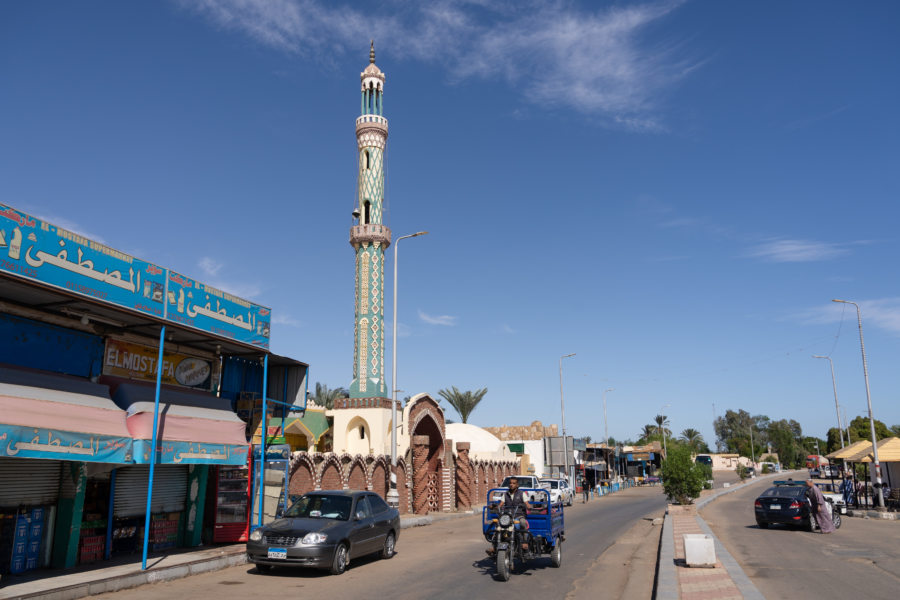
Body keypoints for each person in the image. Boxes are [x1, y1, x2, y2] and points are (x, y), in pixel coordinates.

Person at [498, 476, 530, 548]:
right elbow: (501, 504)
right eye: (510, 483)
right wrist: (496, 507)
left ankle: (524, 542)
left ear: (517, 485)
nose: (511, 484)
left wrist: (528, 506)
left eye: (513, 483)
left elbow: (527, 503)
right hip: (508, 516)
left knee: (523, 523)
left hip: (519, 515)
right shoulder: (505, 494)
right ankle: (495, 546)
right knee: (498, 526)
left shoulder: (522, 494)